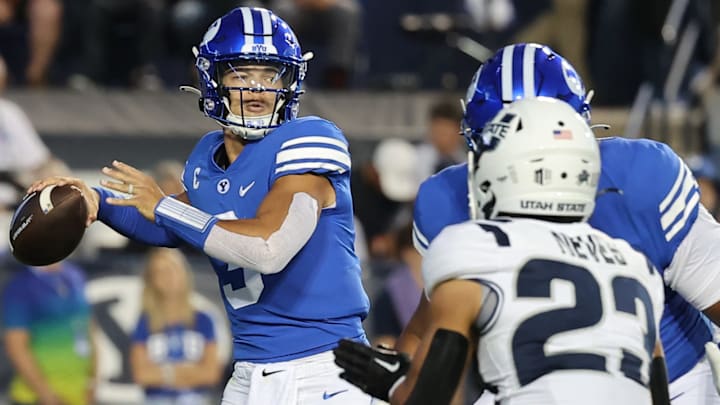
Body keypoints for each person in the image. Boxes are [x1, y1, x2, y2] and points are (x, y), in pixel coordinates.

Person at [29, 6, 372, 404]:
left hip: (325, 367)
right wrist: (95, 200)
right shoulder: (207, 159)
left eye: (270, 75)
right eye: (241, 74)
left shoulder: (307, 140)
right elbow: (168, 224)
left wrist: (162, 206)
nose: (258, 89)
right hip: (251, 372)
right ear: (213, 80)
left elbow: (268, 248)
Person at [346, 43, 720, 404]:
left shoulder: (464, 240)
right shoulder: (632, 262)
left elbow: (438, 365)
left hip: (671, 378)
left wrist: (399, 386)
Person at [130, 248, 222, 405]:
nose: (168, 277)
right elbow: (141, 375)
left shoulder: (204, 320)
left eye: (172, 269)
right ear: (152, 280)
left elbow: (211, 373)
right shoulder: (145, 322)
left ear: (183, 273)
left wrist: (163, 374)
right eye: (160, 272)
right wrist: (186, 373)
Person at [2, 261, 96, 405]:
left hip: (80, 395)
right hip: (35, 398)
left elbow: (89, 327)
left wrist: (94, 380)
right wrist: (46, 395)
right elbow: (16, 346)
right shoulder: (20, 287)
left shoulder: (75, 274)